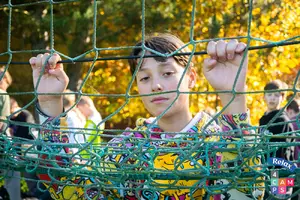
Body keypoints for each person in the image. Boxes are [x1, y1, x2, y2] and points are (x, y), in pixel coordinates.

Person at [29, 35, 264, 199]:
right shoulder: (127, 148)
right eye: (144, 78)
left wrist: (233, 97)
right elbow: (73, 190)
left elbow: (246, 194)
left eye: (168, 73)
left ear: (191, 77)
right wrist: (49, 103)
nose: (157, 85)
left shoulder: (217, 141)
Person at [259, 80, 294, 161]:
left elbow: (282, 151)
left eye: (276, 95)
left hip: (279, 167)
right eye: (269, 94)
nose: (272, 98)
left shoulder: (283, 120)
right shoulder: (263, 119)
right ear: (264, 97)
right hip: (264, 165)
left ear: (282, 98)